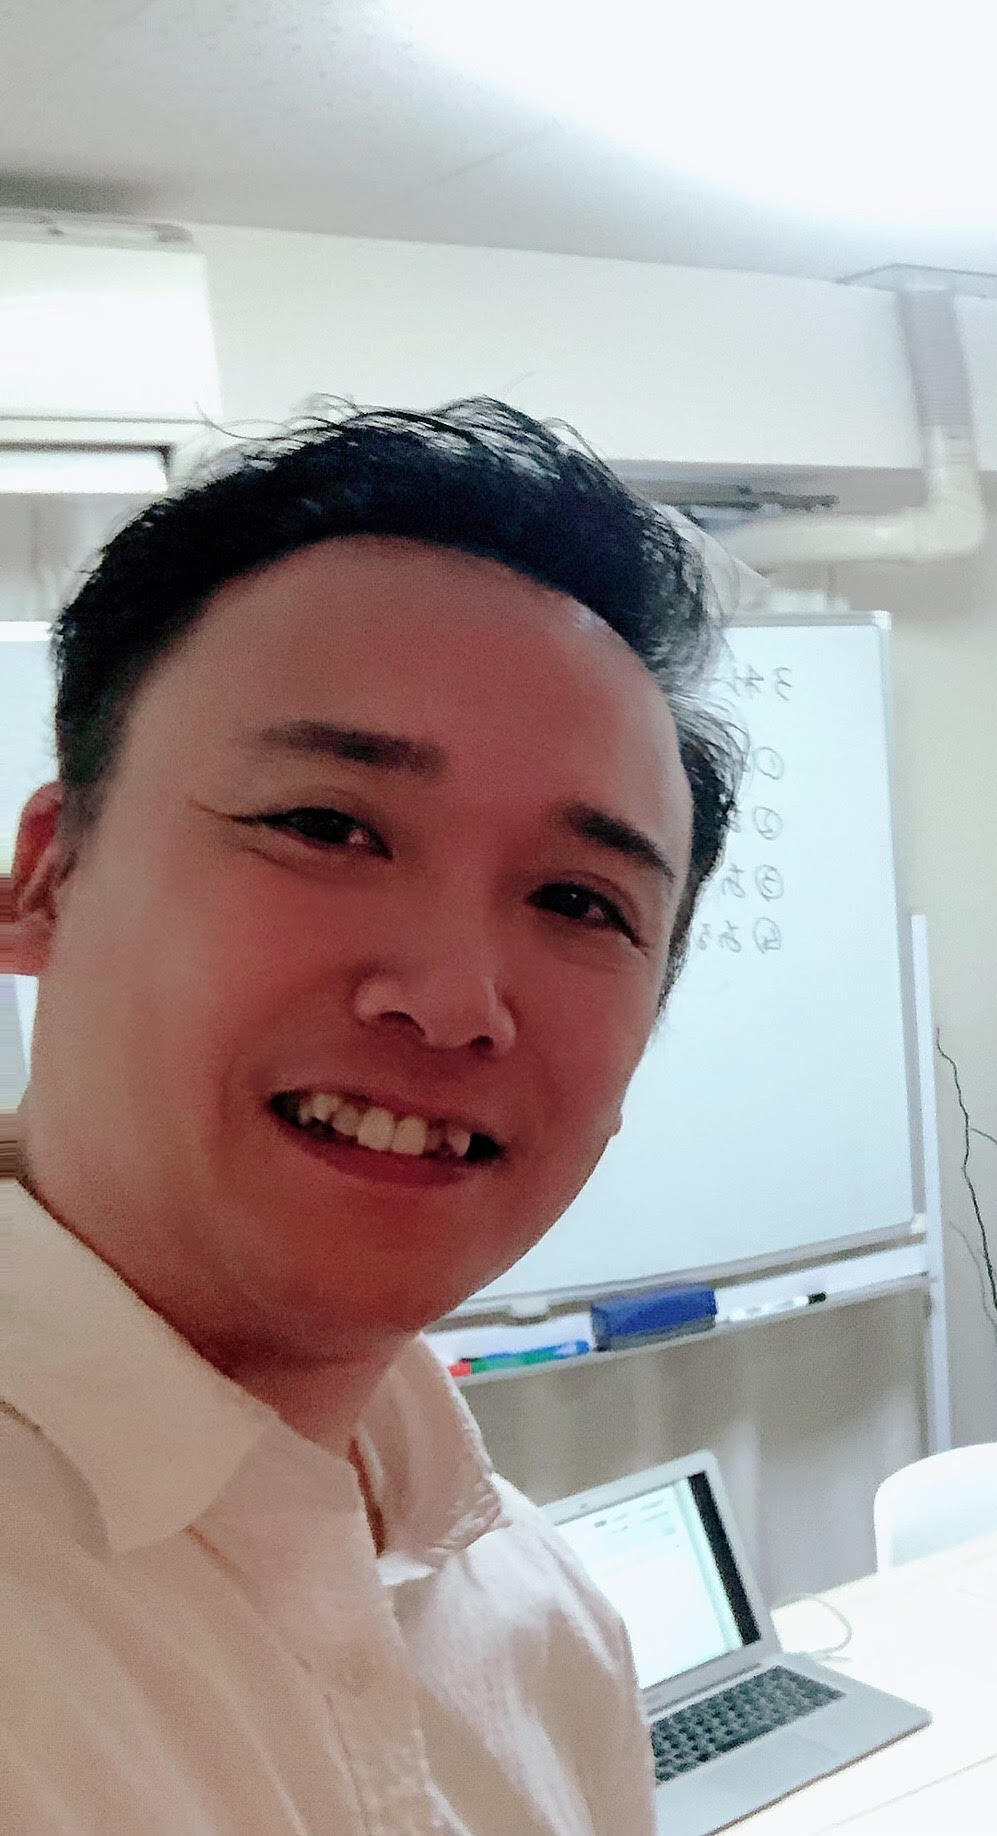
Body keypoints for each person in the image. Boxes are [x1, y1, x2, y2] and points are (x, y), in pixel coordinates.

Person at [0, 399, 745, 1833]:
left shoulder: (543, 1626)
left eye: (580, 901)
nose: (456, 1002)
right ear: (46, 881)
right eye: (328, 827)